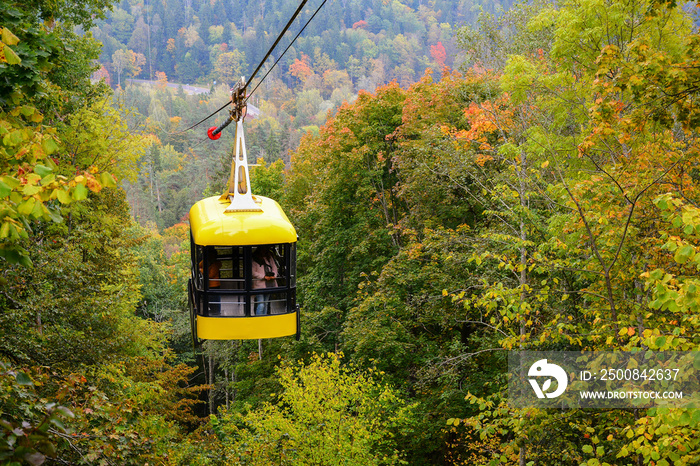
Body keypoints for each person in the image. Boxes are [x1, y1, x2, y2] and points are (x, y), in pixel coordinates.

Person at [252, 245, 278, 315]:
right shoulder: (255, 259)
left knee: (265, 303)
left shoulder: (269, 258)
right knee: (261, 304)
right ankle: (259, 319)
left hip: (269, 283)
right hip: (259, 285)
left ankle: (264, 318)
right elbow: (253, 272)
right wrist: (264, 277)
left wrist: (274, 276)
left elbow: (274, 267)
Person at [199, 248, 221, 314]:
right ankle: (213, 311)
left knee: (215, 299)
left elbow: (210, 275)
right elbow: (200, 265)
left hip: (214, 285)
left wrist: (202, 270)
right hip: (209, 284)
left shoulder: (215, 264)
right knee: (211, 299)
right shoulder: (208, 263)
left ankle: (216, 312)